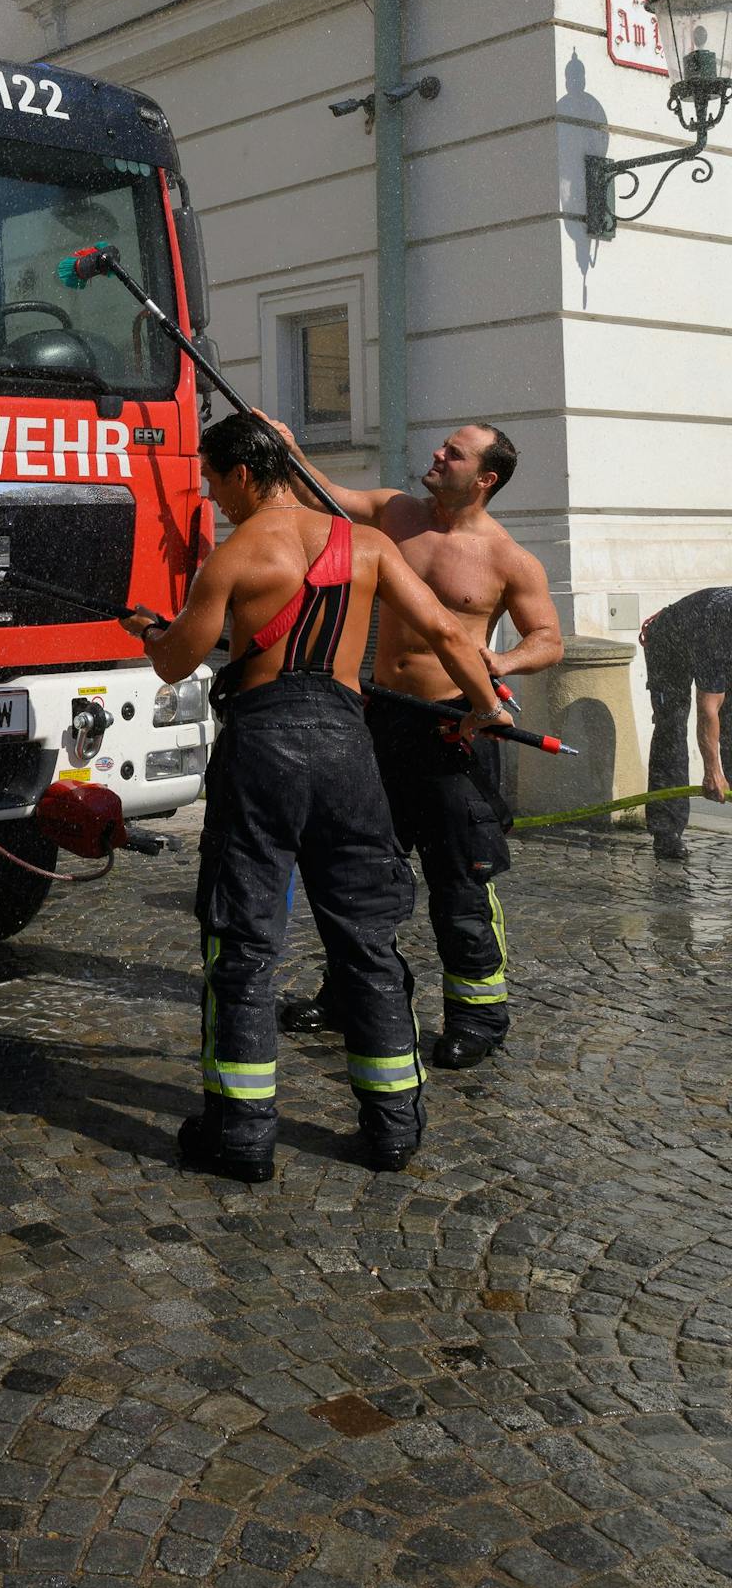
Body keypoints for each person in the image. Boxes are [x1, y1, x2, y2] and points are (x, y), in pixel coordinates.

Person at [126, 413, 509, 1183]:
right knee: (367, 938)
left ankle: (241, 1136)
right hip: (345, 749)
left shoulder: (234, 556)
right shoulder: (365, 545)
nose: (211, 493)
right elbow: (443, 627)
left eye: (212, 478)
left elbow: (176, 663)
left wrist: (149, 632)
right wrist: (485, 705)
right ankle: (393, 1128)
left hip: (263, 747)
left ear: (243, 473)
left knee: (243, 941)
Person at [263, 418, 562, 1068]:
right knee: (357, 875)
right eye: (441, 445)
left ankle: (479, 1016)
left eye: (453, 453)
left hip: (457, 729)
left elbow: (548, 640)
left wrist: (499, 666)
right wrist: (287, 448)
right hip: (382, 724)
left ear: (485, 478)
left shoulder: (509, 558)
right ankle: (350, 996)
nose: (436, 453)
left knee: (461, 885)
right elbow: (323, 494)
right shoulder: (395, 514)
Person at [639, 588, 732, 861]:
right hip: (669, 643)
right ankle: (666, 832)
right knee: (672, 727)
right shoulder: (720, 627)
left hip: (704, 634)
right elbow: (708, 707)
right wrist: (712, 771)